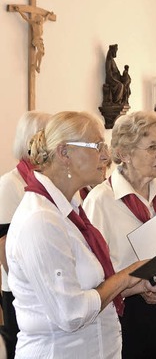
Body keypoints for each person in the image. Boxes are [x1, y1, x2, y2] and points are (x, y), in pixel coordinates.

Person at [5, 111, 156, 358]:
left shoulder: (68, 209)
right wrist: (128, 275)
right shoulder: (41, 220)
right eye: (97, 146)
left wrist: (138, 284)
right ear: (64, 153)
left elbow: (93, 288)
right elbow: (71, 313)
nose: (107, 156)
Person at [83, 112, 156, 358]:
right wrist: (139, 288)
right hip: (127, 311)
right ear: (124, 154)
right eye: (152, 147)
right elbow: (94, 277)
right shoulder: (101, 201)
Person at [0, 111, 51, 359]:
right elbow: (4, 243)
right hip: (21, 287)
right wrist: (28, 286)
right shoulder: (9, 183)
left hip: (47, 281)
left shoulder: (49, 179)